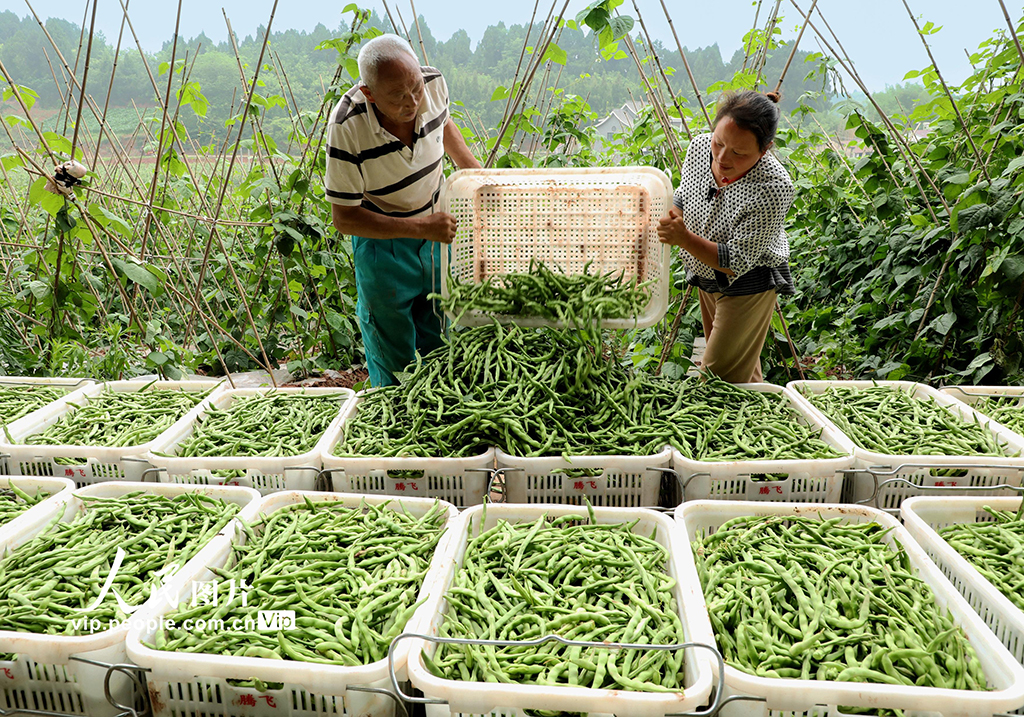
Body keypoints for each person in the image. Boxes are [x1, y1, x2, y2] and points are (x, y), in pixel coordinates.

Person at [324, 34, 481, 387]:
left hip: (436, 231)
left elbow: (443, 122)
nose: (412, 101)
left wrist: (473, 171)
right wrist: (420, 227)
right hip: (384, 242)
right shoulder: (347, 125)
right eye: (397, 95)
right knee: (394, 357)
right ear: (370, 93)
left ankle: (441, 421)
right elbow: (344, 218)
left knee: (440, 339)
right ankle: (394, 428)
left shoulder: (433, 84)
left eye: (415, 88)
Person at [657, 89, 794, 384]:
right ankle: (761, 424)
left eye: (739, 153)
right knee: (738, 379)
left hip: (747, 285)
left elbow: (736, 261)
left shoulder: (774, 186)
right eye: (718, 143)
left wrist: (683, 239)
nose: (721, 157)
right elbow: (684, 194)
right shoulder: (699, 148)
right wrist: (674, 217)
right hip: (705, 274)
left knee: (717, 383)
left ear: (765, 149)